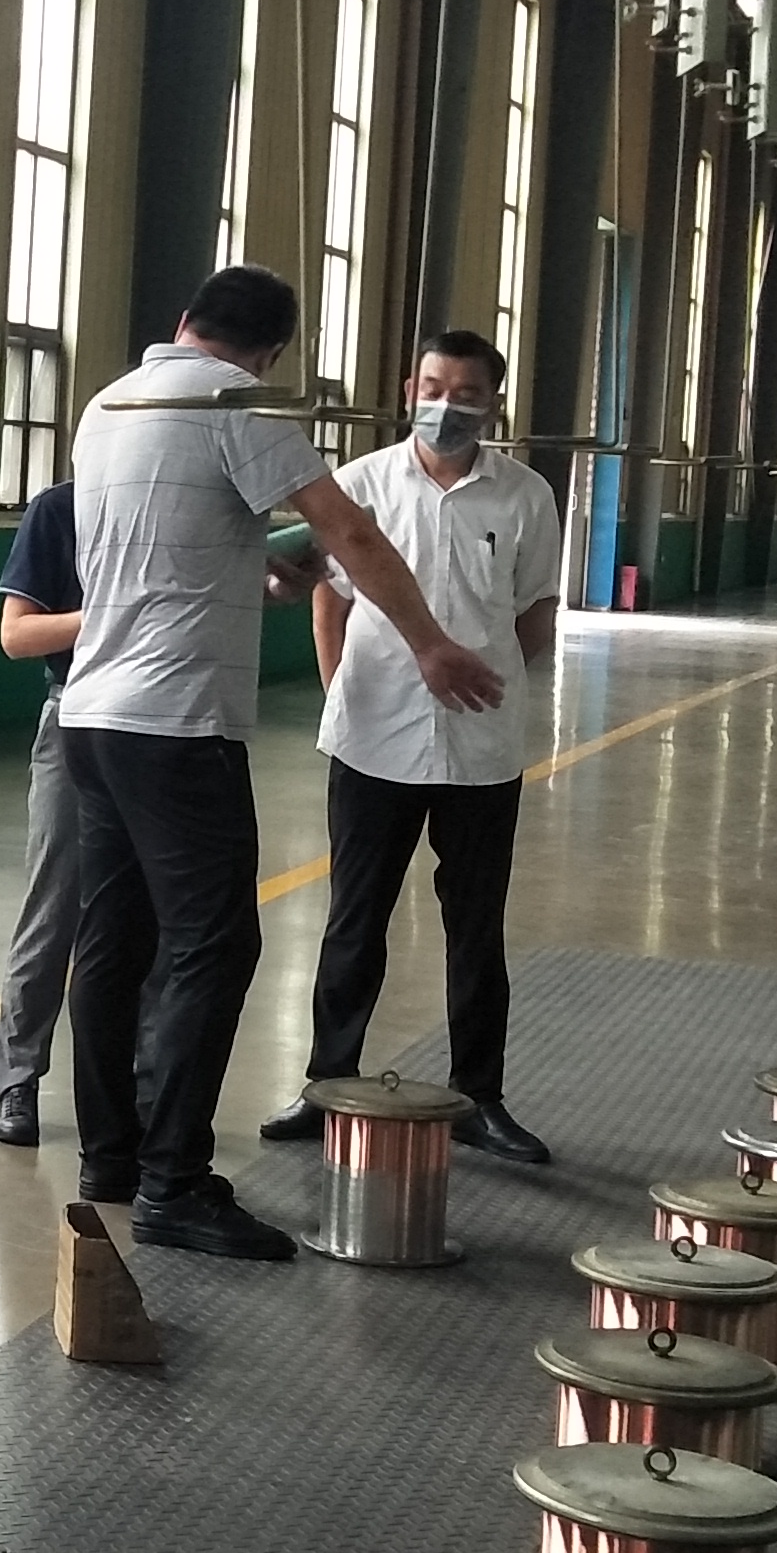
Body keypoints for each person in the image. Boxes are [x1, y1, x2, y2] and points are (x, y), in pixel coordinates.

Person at [55, 267, 503, 1261]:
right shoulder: (238, 404)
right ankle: (174, 1184)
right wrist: (430, 643)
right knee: (214, 946)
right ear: (269, 355)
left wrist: (264, 567)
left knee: (116, 942)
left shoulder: (110, 403)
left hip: (92, 715)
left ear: (183, 321)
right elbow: (351, 530)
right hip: (176, 724)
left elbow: (157, 548)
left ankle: (112, 1159)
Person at [264, 327, 567, 1164]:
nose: (446, 407)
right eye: (433, 390)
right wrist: (340, 686)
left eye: (466, 394)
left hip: (481, 745)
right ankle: (327, 1084)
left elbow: (537, 610)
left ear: (493, 403)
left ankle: (480, 1098)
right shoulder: (359, 487)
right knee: (354, 919)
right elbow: (329, 598)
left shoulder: (526, 496)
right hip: (373, 738)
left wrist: (489, 678)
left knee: (475, 925)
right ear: (409, 391)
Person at [0, 479, 83, 1149]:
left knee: (159, 917)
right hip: (76, 713)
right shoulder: (59, 511)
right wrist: (112, 615)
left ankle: (142, 1089)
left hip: (171, 721)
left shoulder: (183, 501)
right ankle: (16, 1079)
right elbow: (16, 635)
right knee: (54, 900)